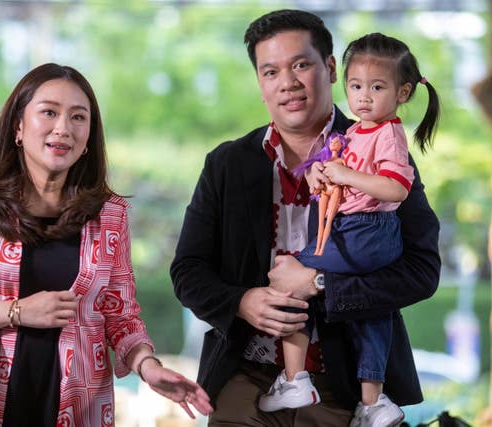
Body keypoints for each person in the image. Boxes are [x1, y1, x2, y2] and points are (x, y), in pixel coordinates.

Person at [170, 9, 440, 427]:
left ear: (330, 69)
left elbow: (422, 270)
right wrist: (242, 302)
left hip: (345, 385)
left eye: (301, 65)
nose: (288, 82)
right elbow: (188, 271)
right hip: (244, 378)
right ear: (260, 85)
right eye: (270, 71)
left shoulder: (381, 155)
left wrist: (320, 283)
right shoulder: (227, 164)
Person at [0, 63, 213, 427]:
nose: (63, 128)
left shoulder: (109, 215)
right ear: (18, 126)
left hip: (77, 406)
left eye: (78, 117)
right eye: (49, 112)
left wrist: (148, 367)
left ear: (88, 138)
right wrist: (16, 311)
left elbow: (121, 315)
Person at [259, 32, 441, 427]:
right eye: (356, 86)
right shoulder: (358, 132)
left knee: (289, 280)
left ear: (403, 92)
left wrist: (346, 175)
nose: (363, 97)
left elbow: (395, 188)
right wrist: (321, 174)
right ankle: (373, 402)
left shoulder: (389, 135)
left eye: (377, 87)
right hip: (357, 229)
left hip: (367, 230)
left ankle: (294, 379)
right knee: (373, 317)